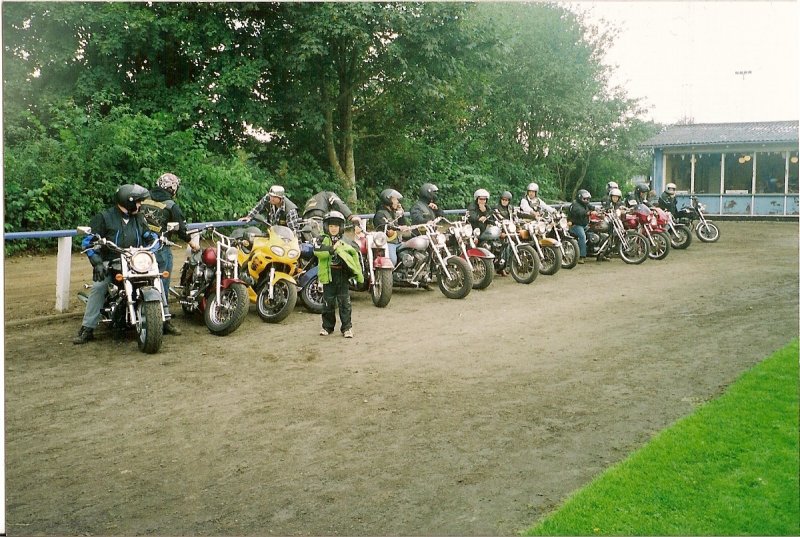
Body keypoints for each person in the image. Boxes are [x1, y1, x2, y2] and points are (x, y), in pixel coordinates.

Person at [73, 184, 158, 344]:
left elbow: (150, 235)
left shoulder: (139, 218)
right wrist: (97, 262)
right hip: (111, 262)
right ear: (128, 201)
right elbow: (88, 242)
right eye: (138, 202)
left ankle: (162, 320)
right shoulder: (104, 217)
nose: (140, 205)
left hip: (135, 262)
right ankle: (87, 328)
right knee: (99, 287)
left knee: (156, 278)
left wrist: (154, 243)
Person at [141, 172, 199, 335]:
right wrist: (191, 242)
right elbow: (181, 229)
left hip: (139, 247)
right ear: (173, 188)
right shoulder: (171, 205)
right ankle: (164, 320)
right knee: (162, 283)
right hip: (160, 248)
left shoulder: (143, 199)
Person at [314, 211, 364, 339]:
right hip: (328, 275)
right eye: (331, 226)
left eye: (336, 226)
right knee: (328, 303)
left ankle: (347, 327)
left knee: (344, 303)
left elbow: (355, 256)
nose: (333, 228)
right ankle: (327, 327)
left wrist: (359, 276)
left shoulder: (346, 240)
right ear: (326, 226)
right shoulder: (321, 239)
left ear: (341, 227)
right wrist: (332, 249)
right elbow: (318, 252)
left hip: (342, 275)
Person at [567, 189, 594, 264]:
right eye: (584, 199)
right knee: (582, 236)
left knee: (594, 231)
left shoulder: (585, 204)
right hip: (575, 225)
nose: (586, 200)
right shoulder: (575, 204)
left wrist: (599, 209)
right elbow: (580, 212)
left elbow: (592, 206)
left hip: (584, 225)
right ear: (579, 198)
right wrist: (589, 213)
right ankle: (581, 256)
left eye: (587, 199)